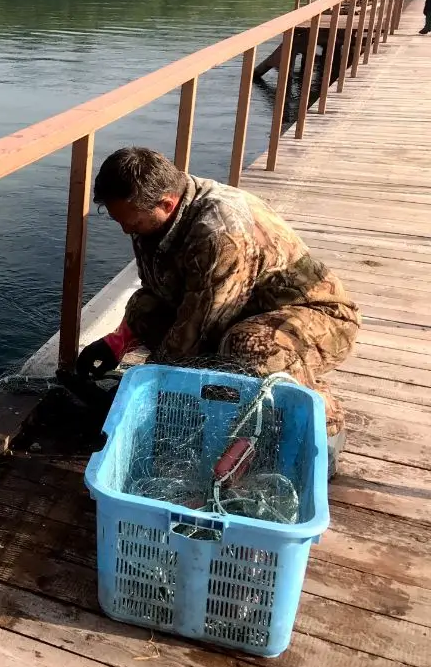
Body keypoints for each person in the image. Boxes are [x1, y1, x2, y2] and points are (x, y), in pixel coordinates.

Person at [74, 147, 360, 471]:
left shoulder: (220, 232)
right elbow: (156, 292)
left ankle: (325, 431)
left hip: (312, 315)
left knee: (248, 347)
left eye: (133, 223)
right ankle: (213, 399)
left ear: (167, 204)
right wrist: (117, 342)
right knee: (143, 308)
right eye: (120, 222)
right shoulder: (149, 219)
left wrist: (140, 391)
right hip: (237, 307)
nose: (127, 231)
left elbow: (200, 327)